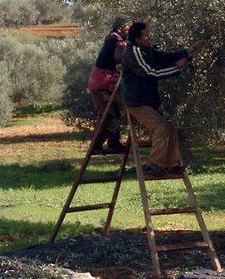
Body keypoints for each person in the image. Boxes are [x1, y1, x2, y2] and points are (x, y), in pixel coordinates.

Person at [121, 21, 202, 177]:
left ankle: (170, 165)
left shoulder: (146, 49)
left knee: (170, 129)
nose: (148, 38)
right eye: (145, 36)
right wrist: (177, 67)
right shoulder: (134, 52)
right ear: (136, 39)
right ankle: (153, 166)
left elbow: (164, 57)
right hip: (137, 101)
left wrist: (186, 52)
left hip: (146, 99)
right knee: (162, 128)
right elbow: (152, 73)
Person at [87, 17, 129, 154]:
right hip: (101, 84)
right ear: (119, 29)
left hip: (103, 83)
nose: (129, 31)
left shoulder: (114, 41)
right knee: (107, 115)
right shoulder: (116, 43)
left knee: (113, 113)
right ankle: (96, 147)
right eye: (127, 28)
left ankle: (113, 143)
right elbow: (119, 58)